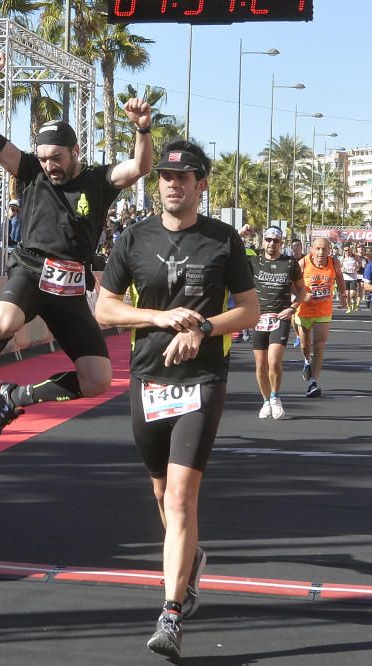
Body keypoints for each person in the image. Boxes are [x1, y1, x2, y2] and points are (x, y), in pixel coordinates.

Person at [94, 140, 259, 659]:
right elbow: (104, 310)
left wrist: (205, 326)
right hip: (147, 379)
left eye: (183, 176)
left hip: (203, 380)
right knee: (163, 497)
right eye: (165, 175)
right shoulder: (133, 239)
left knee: (182, 497)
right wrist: (159, 319)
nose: (172, 183)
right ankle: (188, 561)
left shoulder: (223, 240)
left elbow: (250, 311)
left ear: (201, 183)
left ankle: (170, 615)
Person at [0, 49, 154, 446]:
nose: (50, 165)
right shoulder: (30, 171)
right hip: (29, 271)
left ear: (75, 152)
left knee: (97, 380)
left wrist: (142, 130)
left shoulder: (98, 181)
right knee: (0, 325)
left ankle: (14, 397)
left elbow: (139, 168)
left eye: (57, 158)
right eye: (44, 158)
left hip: (69, 288)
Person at [250, 226, 304, 419]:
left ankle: (275, 397)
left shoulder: (289, 263)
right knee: (260, 365)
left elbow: (302, 291)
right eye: (268, 239)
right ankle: (265, 401)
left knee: (274, 361)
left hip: (279, 317)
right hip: (258, 318)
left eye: (276, 241)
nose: (272, 243)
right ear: (263, 241)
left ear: (282, 243)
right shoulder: (254, 261)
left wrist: (292, 308)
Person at [295, 237, 347, 397]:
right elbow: (291, 283)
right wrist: (302, 295)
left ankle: (313, 383)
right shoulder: (303, 263)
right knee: (305, 345)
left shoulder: (333, 263)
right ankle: (306, 361)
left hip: (323, 310)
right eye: (318, 248)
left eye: (324, 249)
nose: (321, 252)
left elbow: (339, 277)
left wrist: (343, 295)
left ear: (329, 250)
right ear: (311, 249)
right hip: (304, 310)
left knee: (319, 345)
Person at [340, 245, 359, 314]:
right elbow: (340, 266)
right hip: (345, 278)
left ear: (350, 250)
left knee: (352, 294)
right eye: (345, 250)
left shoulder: (355, 257)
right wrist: (342, 269)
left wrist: (356, 267)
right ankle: (349, 307)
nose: (347, 252)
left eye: (348, 250)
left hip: (353, 278)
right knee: (347, 294)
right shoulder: (342, 258)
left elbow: (360, 264)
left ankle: (354, 302)